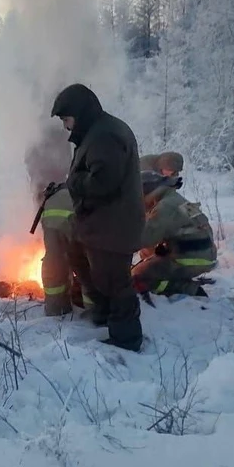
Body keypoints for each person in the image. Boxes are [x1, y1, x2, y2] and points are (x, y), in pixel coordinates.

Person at [51, 83, 145, 352]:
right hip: (98, 222)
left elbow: (103, 182)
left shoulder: (105, 136)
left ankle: (126, 338)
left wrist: (74, 181)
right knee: (80, 257)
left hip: (114, 225)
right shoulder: (97, 131)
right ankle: (104, 313)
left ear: (79, 113)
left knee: (115, 280)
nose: (66, 127)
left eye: (66, 119)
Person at [132, 171, 216, 298]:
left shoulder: (166, 206)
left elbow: (144, 238)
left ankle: (186, 288)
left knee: (137, 276)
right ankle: (177, 278)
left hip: (190, 259)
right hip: (203, 255)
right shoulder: (175, 199)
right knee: (147, 257)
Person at [26, 126, 80, 316]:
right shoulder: (61, 140)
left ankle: (58, 305)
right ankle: (90, 308)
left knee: (56, 244)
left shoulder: (48, 140)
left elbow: (32, 163)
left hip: (54, 193)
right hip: (61, 193)